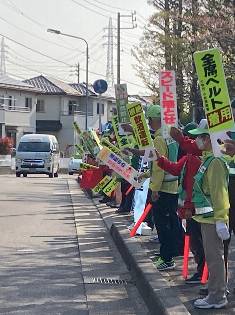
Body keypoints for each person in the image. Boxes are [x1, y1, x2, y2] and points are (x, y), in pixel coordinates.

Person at [154, 122, 205, 283]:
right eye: (194, 137)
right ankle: (201, 272)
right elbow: (175, 168)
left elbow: (196, 187)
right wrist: (160, 159)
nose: (195, 140)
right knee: (195, 242)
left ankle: (205, 275)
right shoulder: (189, 157)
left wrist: (190, 206)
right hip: (188, 208)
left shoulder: (203, 159)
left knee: (203, 243)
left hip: (200, 209)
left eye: (199, 137)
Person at [187, 125, 230, 309]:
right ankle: (215, 292)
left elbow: (219, 193)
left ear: (209, 138)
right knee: (213, 259)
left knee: (214, 258)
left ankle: (217, 296)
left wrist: (221, 220)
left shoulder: (216, 162)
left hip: (213, 219)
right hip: (207, 219)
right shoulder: (209, 160)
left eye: (201, 137)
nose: (198, 141)